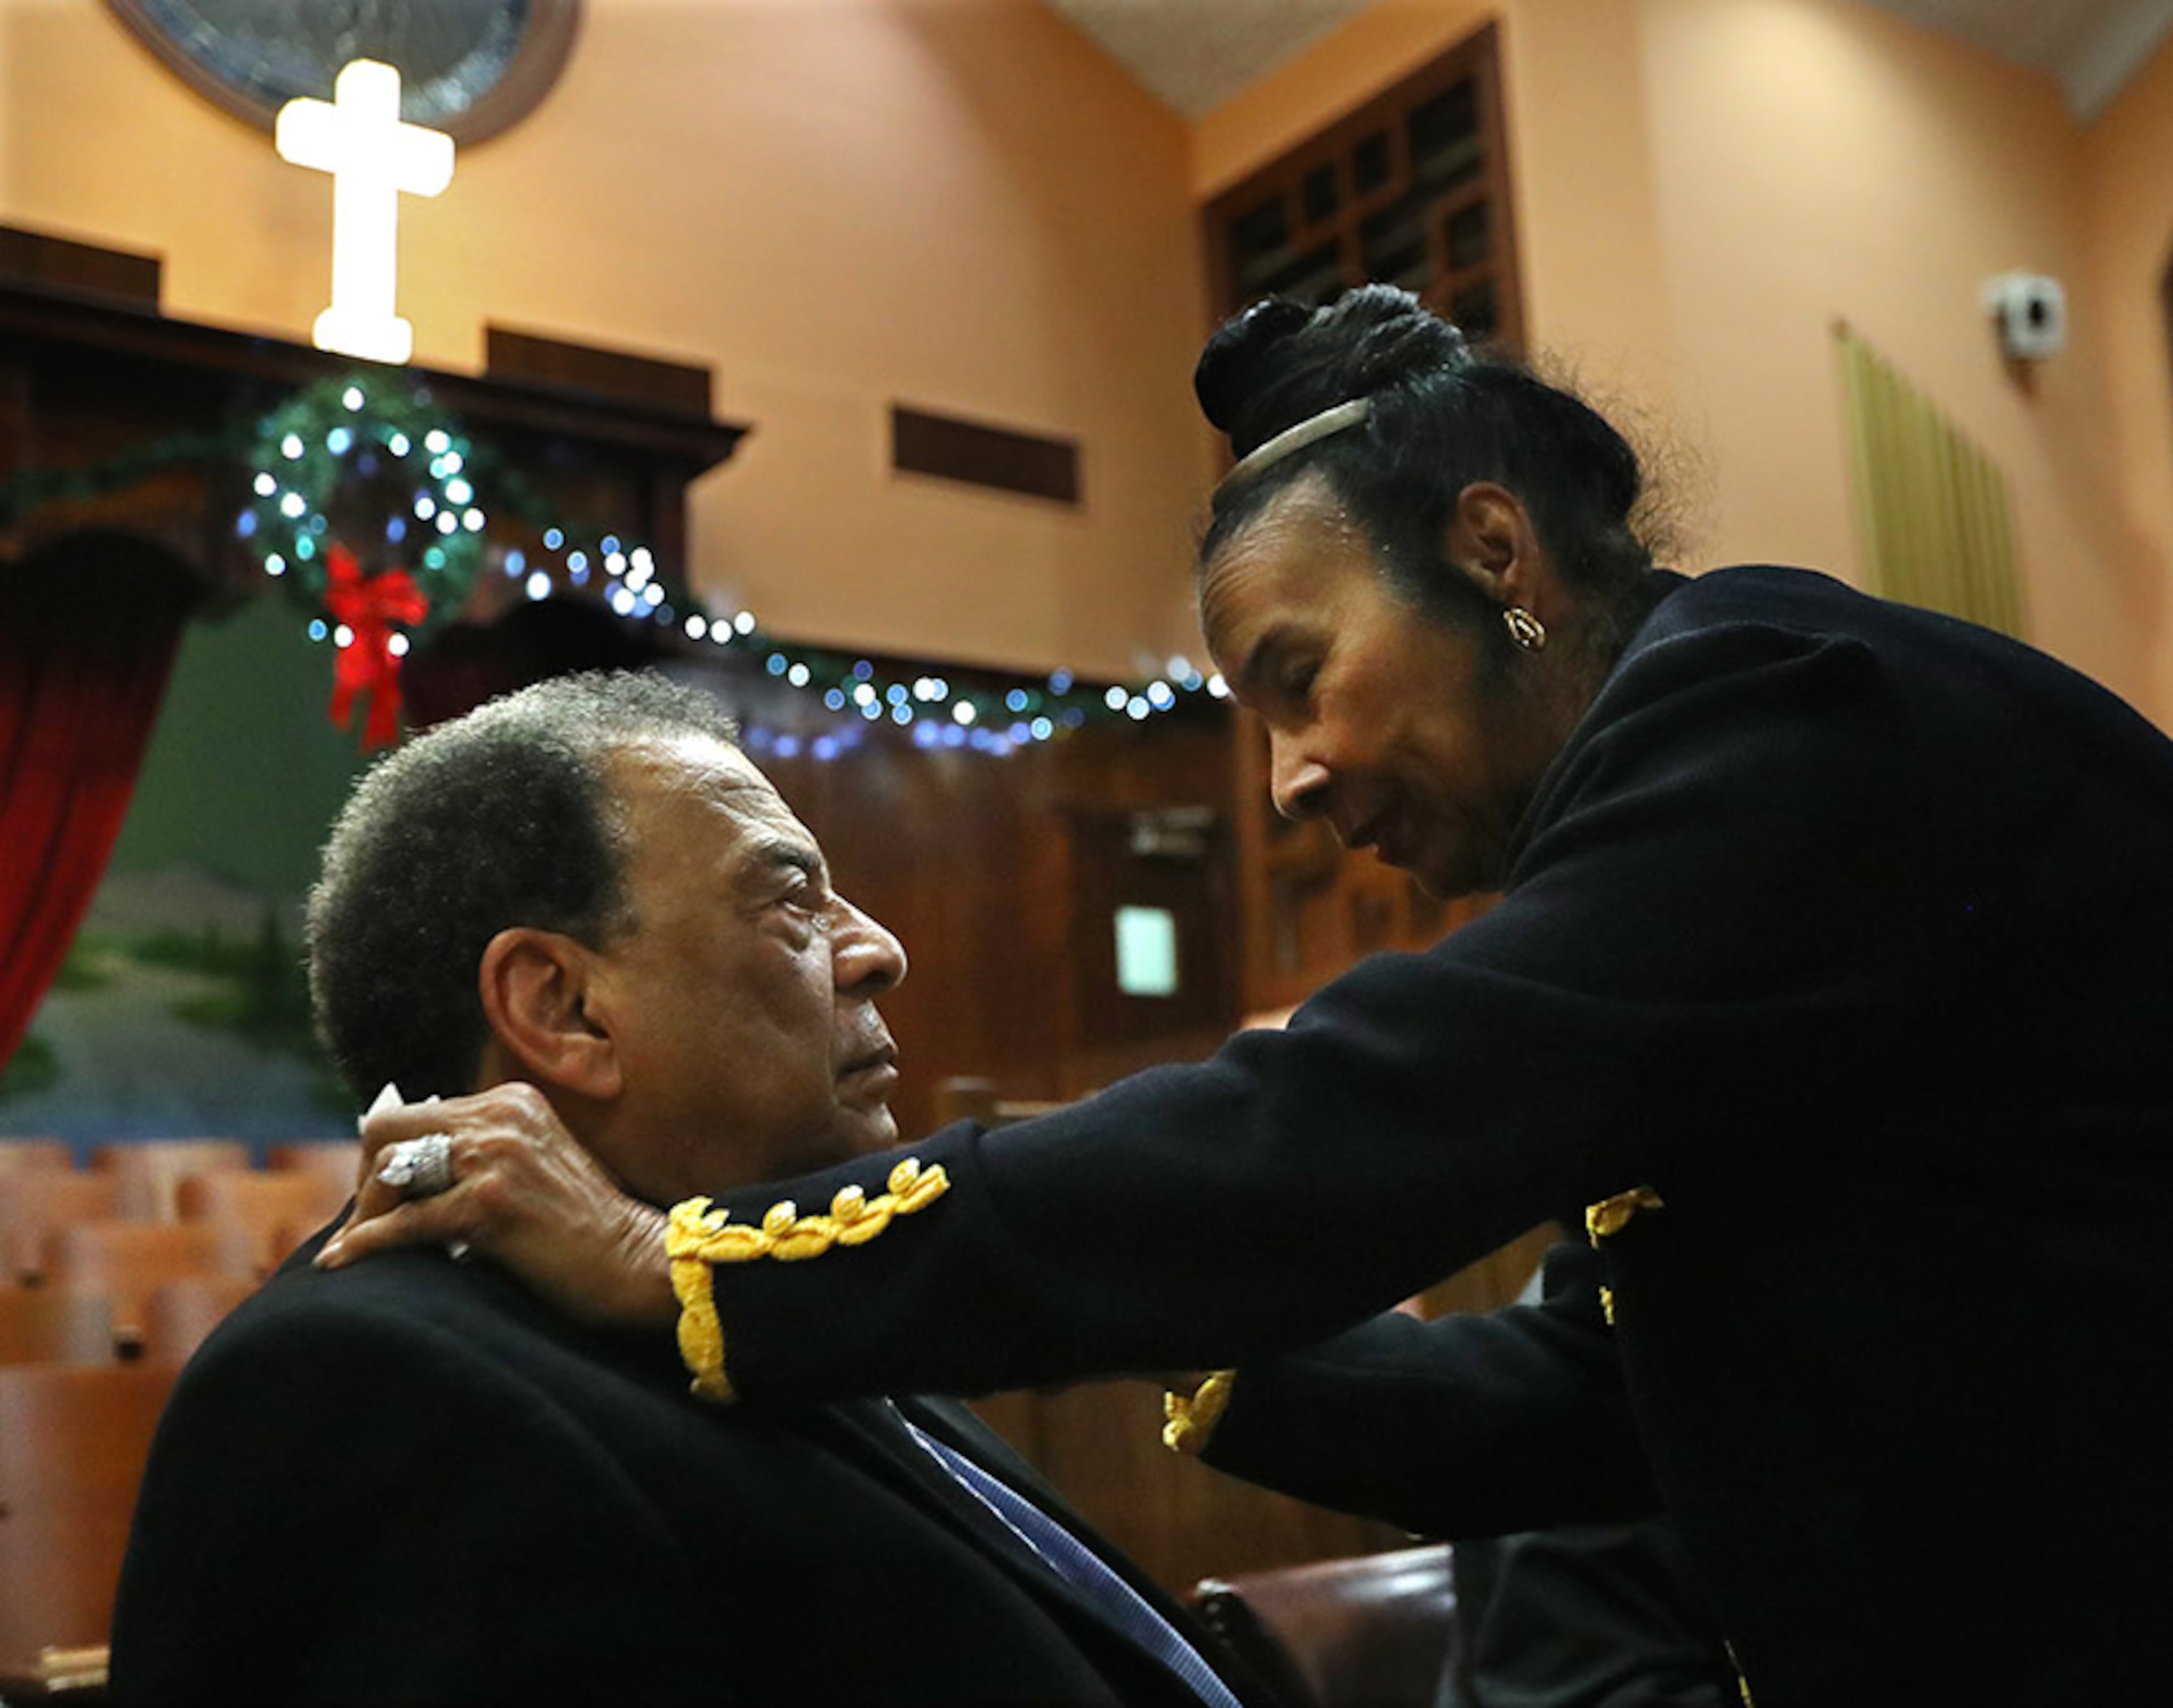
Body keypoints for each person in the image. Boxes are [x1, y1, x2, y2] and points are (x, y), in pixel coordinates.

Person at [326, 287, 2173, 1708]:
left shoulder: (1777, 718)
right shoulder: (1692, 819)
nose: (1289, 780)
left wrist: (679, 1261)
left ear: (1496, 558)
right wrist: (1167, 1300)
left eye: (1302, 677)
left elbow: (1350, 1126)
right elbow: (1582, 1404)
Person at [110, 672, 1266, 1708]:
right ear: (565, 1009)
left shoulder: (775, 1284)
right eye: (791, 901)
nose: (879, 951)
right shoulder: (375, 1386)